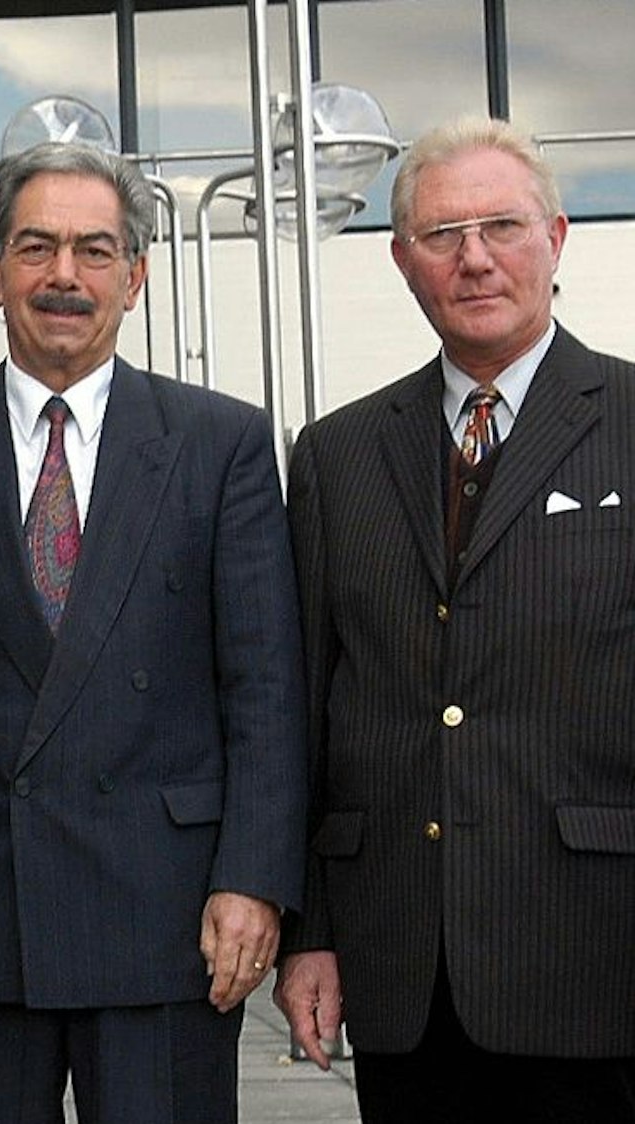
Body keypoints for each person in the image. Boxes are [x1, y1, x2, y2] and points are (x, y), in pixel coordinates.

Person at [0, 142, 307, 1124]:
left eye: (93, 248)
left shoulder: (222, 445)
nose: (63, 276)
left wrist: (252, 878)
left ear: (136, 273)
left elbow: (264, 686)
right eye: (35, 247)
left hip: (164, 920)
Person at [277, 115, 635, 1123]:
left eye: (499, 225)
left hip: (597, 962)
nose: (473, 257)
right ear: (401, 260)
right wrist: (310, 929)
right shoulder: (336, 456)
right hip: (405, 970)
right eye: (441, 234)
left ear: (556, 238)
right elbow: (304, 707)